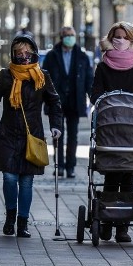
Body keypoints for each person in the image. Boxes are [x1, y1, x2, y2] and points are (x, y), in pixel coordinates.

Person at [0, 33, 63, 238]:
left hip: (32, 136)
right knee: (10, 178)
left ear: (34, 52)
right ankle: (10, 218)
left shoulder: (42, 76)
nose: (24, 56)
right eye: (19, 52)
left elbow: (55, 103)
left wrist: (56, 126)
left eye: (27, 52)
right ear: (13, 54)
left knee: (26, 181)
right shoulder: (6, 75)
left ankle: (22, 223)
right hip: (8, 134)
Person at [89, 21, 133, 243]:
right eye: (116, 37)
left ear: (132, 40)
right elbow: (95, 95)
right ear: (110, 39)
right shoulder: (103, 67)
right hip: (110, 130)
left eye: (124, 37)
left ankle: (123, 228)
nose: (120, 41)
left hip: (132, 133)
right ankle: (106, 223)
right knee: (111, 176)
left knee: (128, 177)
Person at [42, 26, 94, 179]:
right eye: (66, 35)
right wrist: (43, 99)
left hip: (75, 100)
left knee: (73, 135)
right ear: (61, 37)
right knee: (57, 134)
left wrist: (92, 97)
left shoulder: (82, 56)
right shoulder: (52, 55)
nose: (69, 37)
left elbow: (88, 78)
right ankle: (59, 166)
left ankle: (70, 167)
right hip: (56, 101)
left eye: (72, 35)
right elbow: (45, 78)